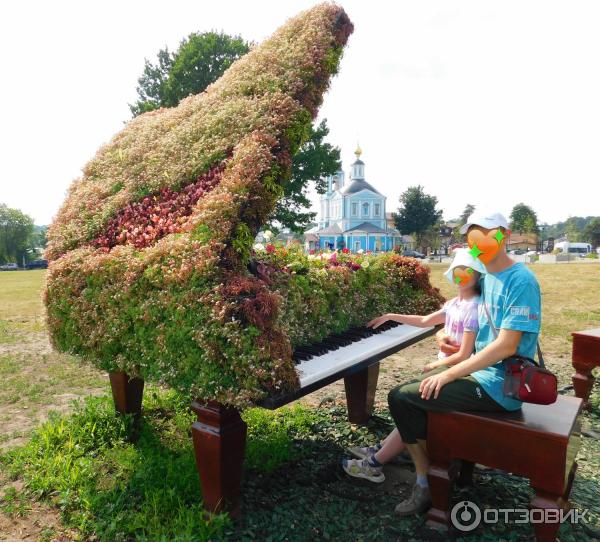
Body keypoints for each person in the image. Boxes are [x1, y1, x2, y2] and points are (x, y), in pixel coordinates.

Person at [388, 211, 541, 517]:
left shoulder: (520, 280)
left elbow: (507, 345)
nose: (480, 242)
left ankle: (425, 482)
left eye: (489, 233)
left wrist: (450, 374)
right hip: (478, 370)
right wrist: (443, 334)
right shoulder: (487, 276)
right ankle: (447, 463)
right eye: (474, 237)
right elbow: (462, 310)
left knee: (402, 398)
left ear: (504, 236)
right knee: (413, 386)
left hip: (501, 385)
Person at [342, 248, 486, 483]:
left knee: (409, 406)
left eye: (467, 272)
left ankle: (375, 463)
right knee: (408, 405)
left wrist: (434, 364)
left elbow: (465, 354)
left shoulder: (473, 308)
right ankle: (380, 452)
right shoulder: (455, 304)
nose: (462, 276)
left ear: (478, 275)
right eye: (458, 271)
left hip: (454, 372)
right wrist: (391, 316)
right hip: (445, 367)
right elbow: (425, 321)